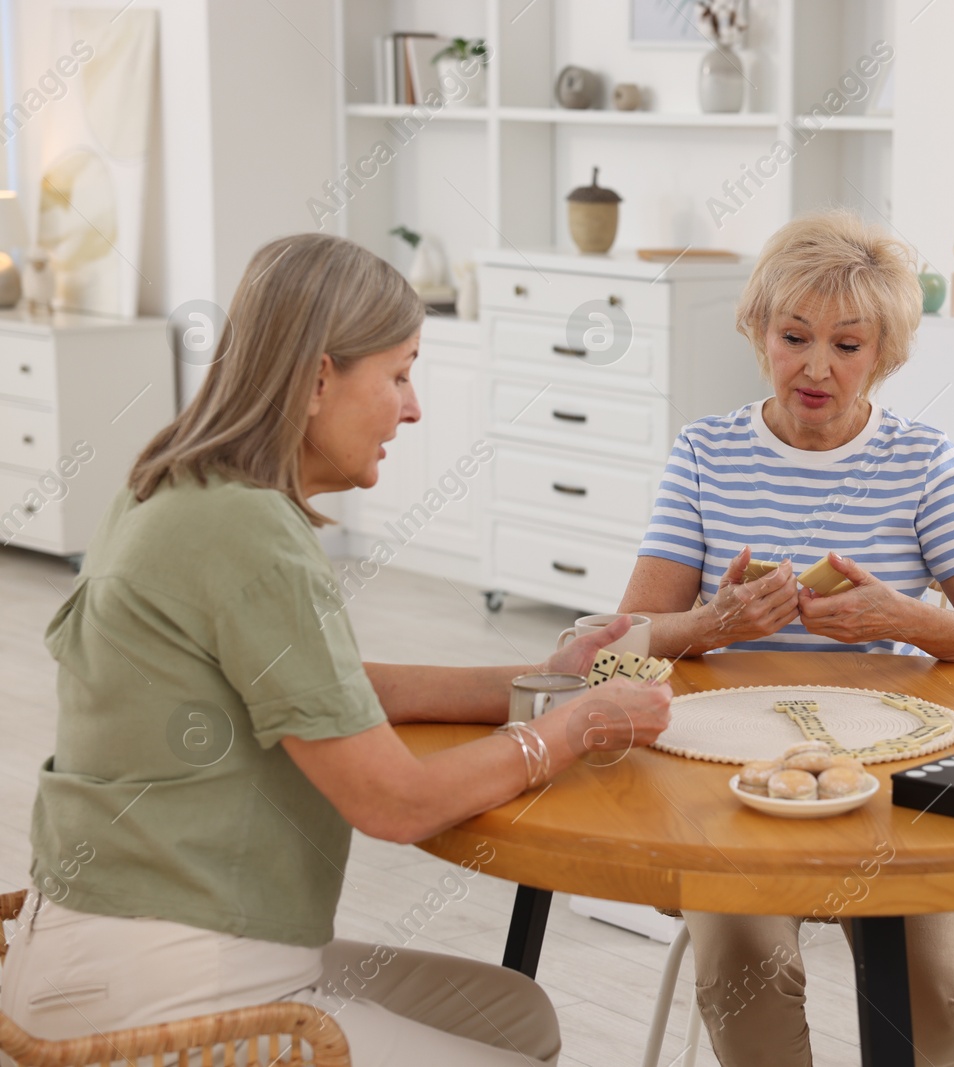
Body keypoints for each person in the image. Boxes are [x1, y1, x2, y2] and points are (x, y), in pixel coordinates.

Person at [1, 234, 672, 1066]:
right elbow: (396, 803)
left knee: (514, 1015)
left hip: (94, 947)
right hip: (165, 977)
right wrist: (575, 729)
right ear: (320, 378)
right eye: (398, 374)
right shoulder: (244, 529)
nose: (415, 406)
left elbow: (330, 687)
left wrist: (545, 679)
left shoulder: (174, 484)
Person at [617, 211, 954, 1067]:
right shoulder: (705, 453)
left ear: (882, 354)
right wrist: (713, 624)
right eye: (794, 335)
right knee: (742, 963)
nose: (816, 367)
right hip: (726, 776)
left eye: (847, 345)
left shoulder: (923, 462)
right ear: (758, 331)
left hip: (889, 777)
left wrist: (902, 618)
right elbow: (623, 648)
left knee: (935, 987)